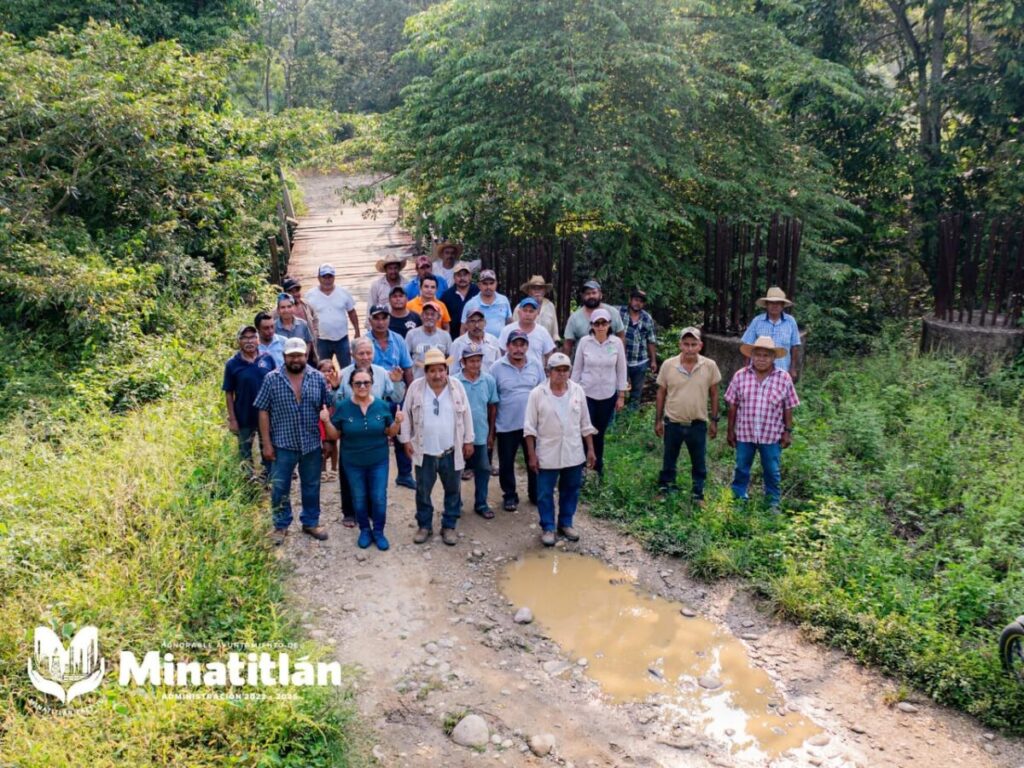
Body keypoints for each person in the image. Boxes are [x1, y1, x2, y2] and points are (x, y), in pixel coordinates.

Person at [254, 337, 333, 545]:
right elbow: (263, 411)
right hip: (282, 444)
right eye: (292, 356)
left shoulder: (317, 378)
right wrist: (266, 443)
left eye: (299, 355)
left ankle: (311, 521)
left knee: (311, 484)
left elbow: (328, 406)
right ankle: (281, 525)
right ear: (284, 357)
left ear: (306, 356)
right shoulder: (272, 379)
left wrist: (328, 441)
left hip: (311, 443)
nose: (296, 359)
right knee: (280, 487)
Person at [399, 349, 475, 546]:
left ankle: (449, 525)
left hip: (450, 449)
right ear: (425, 372)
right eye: (432, 371)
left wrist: (468, 440)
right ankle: (424, 525)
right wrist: (406, 440)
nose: (437, 375)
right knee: (423, 491)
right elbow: (406, 415)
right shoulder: (416, 388)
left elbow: (467, 415)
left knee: (453, 490)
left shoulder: (456, 386)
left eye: (441, 370)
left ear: (446, 370)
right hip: (424, 451)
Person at [322, 367, 403, 551]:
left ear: (372, 384)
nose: (362, 386)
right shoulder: (342, 407)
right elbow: (334, 436)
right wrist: (326, 421)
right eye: (357, 383)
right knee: (359, 497)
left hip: (378, 461)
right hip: (352, 462)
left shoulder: (382, 406)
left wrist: (397, 422)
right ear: (351, 386)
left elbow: (390, 432)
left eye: (366, 382)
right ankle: (365, 530)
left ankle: (379, 532)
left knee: (379, 497)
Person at [525, 353, 597, 546]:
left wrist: (590, 449)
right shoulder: (538, 393)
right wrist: (532, 455)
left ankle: (566, 523)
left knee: (571, 488)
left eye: (565, 370)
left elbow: (585, 423)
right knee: (545, 492)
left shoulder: (577, 391)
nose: (562, 374)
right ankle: (548, 527)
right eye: (558, 370)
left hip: (573, 450)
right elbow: (530, 428)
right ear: (549, 371)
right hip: (547, 451)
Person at [725, 336, 800, 512]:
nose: (761, 359)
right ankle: (738, 499)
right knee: (742, 467)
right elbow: (732, 405)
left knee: (772, 470)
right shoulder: (740, 376)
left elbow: (788, 406)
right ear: (751, 356)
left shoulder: (783, 378)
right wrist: (730, 431)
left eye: (766, 355)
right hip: (745, 432)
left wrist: (787, 431)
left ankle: (772, 502)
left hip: (771, 434)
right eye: (757, 355)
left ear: (773, 357)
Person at [654, 327, 721, 503]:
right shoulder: (669, 365)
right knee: (669, 458)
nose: (690, 348)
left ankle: (698, 493)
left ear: (700, 345)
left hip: (697, 423)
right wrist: (658, 420)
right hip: (673, 422)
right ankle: (666, 489)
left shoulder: (709, 365)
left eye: (693, 344)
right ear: (680, 345)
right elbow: (661, 392)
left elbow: (714, 393)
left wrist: (714, 421)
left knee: (699, 461)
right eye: (686, 344)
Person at [490, 330, 545, 511]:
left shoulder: (536, 365)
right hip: (506, 424)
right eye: (515, 344)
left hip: (532, 424)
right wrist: (492, 429)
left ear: (527, 347)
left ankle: (535, 493)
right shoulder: (496, 368)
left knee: (535, 459)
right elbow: (492, 399)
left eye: (522, 345)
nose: (518, 349)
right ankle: (510, 495)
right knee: (507, 462)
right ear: (508, 346)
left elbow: (543, 393)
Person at [570, 308, 627, 476]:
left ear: (609, 324)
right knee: (584, 430)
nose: (601, 326)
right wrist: (572, 392)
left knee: (599, 432)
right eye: (597, 323)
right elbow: (577, 368)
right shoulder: (585, 342)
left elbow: (621, 369)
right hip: (586, 393)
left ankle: (597, 467)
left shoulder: (616, 343)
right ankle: (579, 468)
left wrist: (621, 395)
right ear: (592, 325)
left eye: (604, 323)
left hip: (608, 395)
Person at [367, 304, 416, 489]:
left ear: (389, 319)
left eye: (384, 317)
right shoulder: (364, 342)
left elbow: (408, 367)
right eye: (377, 318)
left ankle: (404, 474)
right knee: (376, 436)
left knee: (402, 434)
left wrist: (411, 395)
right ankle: (375, 477)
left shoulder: (398, 340)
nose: (380, 322)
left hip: (397, 395)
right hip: (374, 397)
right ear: (370, 320)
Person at [223, 324, 276, 479]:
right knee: (245, 452)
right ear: (239, 341)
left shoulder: (267, 359)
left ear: (258, 340)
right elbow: (229, 393)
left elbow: (276, 386)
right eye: (245, 338)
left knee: (268, 447)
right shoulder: (232, 364)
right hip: (244, 415)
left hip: (266, 415)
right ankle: (248, 484)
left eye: (252, 337)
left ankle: (269, 479)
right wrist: (232, 419)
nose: (249, 341)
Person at [455, 343, 499, 519]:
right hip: (458, 436)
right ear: (463, 362)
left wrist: (491, 434)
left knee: (483, 469)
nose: (475, 364)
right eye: (471, 360)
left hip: (480, 434)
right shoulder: (455, 381)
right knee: (456, 471)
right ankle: (455, 504)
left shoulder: (488, 380)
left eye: (478, 360)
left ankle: (481, 503)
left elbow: (492, 408)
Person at [740, 287, 802, 381]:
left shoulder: (790, 321)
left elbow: (794, 346)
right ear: (766, 304)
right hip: (758, 371)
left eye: (778, 303)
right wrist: (746, 368)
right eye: (771, 303)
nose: (775, 305)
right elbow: (748, 345)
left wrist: (792, 368)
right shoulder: (757, 321)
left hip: (782, 370)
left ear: (783, 305)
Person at [306, 263, 359, 367]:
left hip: (342, 338)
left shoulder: (343, 292)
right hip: (321, 340)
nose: (327, 280)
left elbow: (352, 312)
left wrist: (357, 331)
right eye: (324, 277)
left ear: (334, 277)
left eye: (330, 276)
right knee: (322, 368)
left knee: (347, 367)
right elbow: (307, 317)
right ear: (318, 278)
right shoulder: (310, 295)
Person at [562, 280, 625, 358]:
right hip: (584, 366)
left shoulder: (613, 313)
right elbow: (568, 344)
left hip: (609, 364)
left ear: (600, 295)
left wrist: (621, 358)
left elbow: (621, 336)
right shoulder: (575, 318)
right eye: (587, 294)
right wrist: (565, 365)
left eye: (594, 293)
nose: (591, 296)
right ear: (582, 296)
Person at [619, 288, 658, 409]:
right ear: (630, 300)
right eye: (636, 300)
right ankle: (618, 417)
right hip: (621, 360)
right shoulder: (620, 313)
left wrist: (653, 360)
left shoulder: (647, 318)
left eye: (641, 301)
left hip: (640, 360)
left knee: (636, 392)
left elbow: (651, 340)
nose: (638, 303)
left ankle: (631, 418)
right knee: (619, 390)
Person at [498, 297, 556, 368]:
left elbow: (549, 355)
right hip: (510, 372)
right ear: (519, 312)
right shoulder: (507, 330)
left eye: (531, 311)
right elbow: (501, 353)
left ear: (537, 313)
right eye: (525, 310)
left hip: (535, 375)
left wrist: (547, 371)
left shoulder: (543, 332)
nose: (528, 314)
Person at [405, 302, 452, 378]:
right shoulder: (411, 334)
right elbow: (406, 360)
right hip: (418, 380)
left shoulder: (445, 336)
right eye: (426, 314)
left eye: (433, 314)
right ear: (421, 316)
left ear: (439, 317)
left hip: (439, 380)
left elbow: (450, 360)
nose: (429, 317)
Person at [450, 308, 502, 376]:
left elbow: (499, 368)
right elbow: (453, 372)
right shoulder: (457, 344)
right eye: (472, 321)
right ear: (466, 324)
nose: (476, 325)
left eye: (480, 321)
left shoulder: (493, 340)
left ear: (485, 323)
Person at [461, 269, 512, 338]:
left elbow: (510, 324)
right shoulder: (471, 304)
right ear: (479, 285)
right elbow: (463, 329)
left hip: (500, 346)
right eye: (485, 284)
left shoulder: (503, 300)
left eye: (491, 283)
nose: (488, 287)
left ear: (496, 284)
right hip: (478, 346)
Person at [512, 275, 560, 341]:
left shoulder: (550, 306)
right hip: (524, 346)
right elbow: (513, 330)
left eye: (540, 288)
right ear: (529, 291)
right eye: (534, 288)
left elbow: (555, 332)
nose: (537, 291)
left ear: (544, 291)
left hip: (546, 347)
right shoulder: (520, 307)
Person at [274, 293, 317, 363]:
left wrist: (305, 358)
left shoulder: (303, 324)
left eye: (289, 306)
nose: (286, 310)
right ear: (278, 310)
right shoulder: (273, 327)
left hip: (300, 364)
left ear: (293, 308)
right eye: (283, 307)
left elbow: (308, 341)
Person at [441, 262, 479, 339]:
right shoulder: (447, 295)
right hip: (454, 338)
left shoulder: (478, 292)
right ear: (454, 277)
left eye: (465, 275)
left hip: (476, 336)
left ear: (470, 276)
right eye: (459, 275)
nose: (462, 278)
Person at [318, 359, 340, 481]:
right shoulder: (316, 383)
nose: (327, 373)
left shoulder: (336, 384)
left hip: (334, 416)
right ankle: (322, 470)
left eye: (330, 370)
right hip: (321, 417)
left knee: (334, 442)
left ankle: (333, 469)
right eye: (324, 371)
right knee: (323, 444)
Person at [280, 277, 320, 341]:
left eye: (297, 291)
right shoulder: (279, 311)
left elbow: (315, 318)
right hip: (290, 348)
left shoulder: (306, 304)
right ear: (285, 294)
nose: (295, 294)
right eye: (291, 292)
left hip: (310, 345)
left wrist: (315, 332)